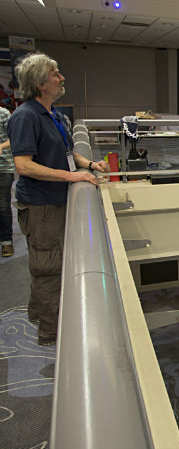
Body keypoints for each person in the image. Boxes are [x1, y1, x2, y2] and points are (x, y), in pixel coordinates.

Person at [7, 52, 109, 346]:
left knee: (52, 263)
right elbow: (24, 165)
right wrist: (71, 177)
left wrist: (89, 165)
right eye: (55, 74)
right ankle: (51, 334)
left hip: (57, 200)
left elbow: (67, 153)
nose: (62, 78)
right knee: (48, 269)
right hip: (41, 206)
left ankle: (38, 313)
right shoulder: (25, 116)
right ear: (41, 83)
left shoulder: (54, 114)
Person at [0, 105, 15, 257]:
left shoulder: (3, 114)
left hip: (4, 168)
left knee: (3, 205)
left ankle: (6, 242)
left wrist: (1, 146)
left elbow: (14, 138)